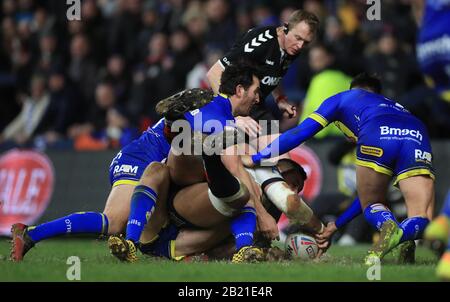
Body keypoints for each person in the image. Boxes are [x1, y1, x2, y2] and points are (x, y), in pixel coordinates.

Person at [242, 73, 435, 265]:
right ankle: (404, 238)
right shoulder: (394, 105)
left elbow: (300, 133)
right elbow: (365, 195)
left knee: (372, 203)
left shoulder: (342, 99)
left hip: (377, 131)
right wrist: (337, 225)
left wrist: (258, 157)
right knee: (422, 214)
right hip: (416, 131)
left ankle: (389, 227)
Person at [9, 89, 213, 262]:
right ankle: (30, 234)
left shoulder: (219, 112)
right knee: (114, 223)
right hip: (139, 158)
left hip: (159, 163)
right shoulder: (211, 112)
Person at [108, 62, 268, 263]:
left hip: (177, 209)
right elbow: (234, 165)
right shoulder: (219, 115)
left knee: (163, 167)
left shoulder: (216, 112)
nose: (258, 98)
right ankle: (243, 247)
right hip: (175, 206)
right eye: (256, 92)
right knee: (242, 190)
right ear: (239, 90)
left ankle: (132, 241)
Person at [206, 9, 319, 129]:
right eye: (298, 37)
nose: (300, 46)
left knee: (277, 145)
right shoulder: (261, 42)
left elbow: (273, 75)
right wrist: (232, 113)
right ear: (286, 27)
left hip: (256, 105)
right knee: (238, 147)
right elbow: (214, 73)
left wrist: (280, 99)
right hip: (232, 107)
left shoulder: (292, 49)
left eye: (306, 42)